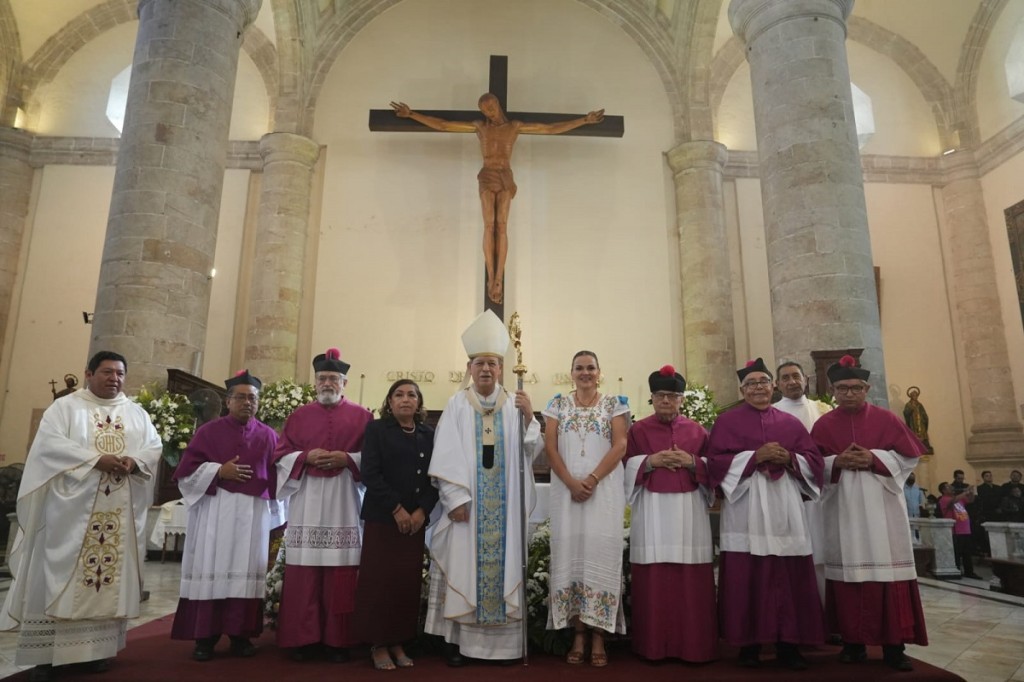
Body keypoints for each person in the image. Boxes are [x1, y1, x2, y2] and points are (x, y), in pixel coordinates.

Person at [0, 351, 162, 682]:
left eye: (120, 373)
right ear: (89, 374)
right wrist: (94, 459)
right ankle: (46, 657)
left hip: (117, 513)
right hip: (69, 516)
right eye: (107, 372)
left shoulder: (136, 413)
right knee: (55, 577)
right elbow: (49, 446)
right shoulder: (65, 408)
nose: (114, 378)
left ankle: (93, 653)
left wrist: (134, 461)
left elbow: (153, 446)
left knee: (105, 582)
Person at [390, 96, 604, 304]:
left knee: (501, 226)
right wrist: (412, 115)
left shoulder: (514, 127)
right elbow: (443, 125)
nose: (489, 113)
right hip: (487, 175)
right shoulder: (479, 127)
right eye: (485, 110)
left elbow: (549, 129)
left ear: (497, 105)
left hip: (504, 176)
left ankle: (499, 277)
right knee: (488, 225)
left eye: (491, 108)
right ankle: (490, 276)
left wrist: (584, 120)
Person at [424, 310, 543, 665]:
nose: (486, 369)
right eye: (480, 364)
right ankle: (461, 644)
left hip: (505, 510)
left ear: (501, 369)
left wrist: (529, 417)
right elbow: (445, 454)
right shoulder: (457, 404)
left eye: (492, 363)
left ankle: (506, 647)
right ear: (470, 368)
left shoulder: (514, 404)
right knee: (465, 567)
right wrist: (455, 499)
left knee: (503, 566)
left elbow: (530, 450)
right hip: (469, 509)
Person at [810, 354, 929, 672]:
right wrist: (836, 462)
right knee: (847, 575)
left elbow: (910, 458)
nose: (849, 393)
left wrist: (874, 459)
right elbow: (810, 467)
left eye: (856, 388)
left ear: (867, 388)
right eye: (843, 388)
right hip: (843, 511)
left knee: (889, 576)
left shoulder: (887, 419)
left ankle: (894, 647)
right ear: (833, 391)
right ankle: (853, 644)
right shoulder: (823, 425)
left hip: (883, 510)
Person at [706, 358, 825, 670]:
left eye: (763, 382)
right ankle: (748, 645)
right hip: (745, 507)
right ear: (742, 390)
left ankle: (790, 645)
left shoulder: (791, 424)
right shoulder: (726, 422)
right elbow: (714, 462)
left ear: (773, 387)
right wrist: (754, 457)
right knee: (746, 574)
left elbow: (814, 461)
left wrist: (790, 458)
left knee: (789, 574)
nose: (758, 388)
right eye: (751, 384)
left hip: (784, 505)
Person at [170, 370, 282, 661]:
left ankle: (240, 636)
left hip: (253, 515)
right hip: (216, 510)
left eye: (252, 398)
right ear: (228, 401)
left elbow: (279, 477)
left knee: (246, 573)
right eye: (241, 398)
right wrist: (219, 470)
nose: (247, 403)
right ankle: (205, 638)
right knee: (212, 568)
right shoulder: (208, 432)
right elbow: (186, 475)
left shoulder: (269, 435)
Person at [274, 348, 373, 662]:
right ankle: (304, 639)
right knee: (304, 572)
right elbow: (280, 455)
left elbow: (374, 459)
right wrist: (305, 457)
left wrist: (348, 458)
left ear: (344, 383)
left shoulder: (363, 417)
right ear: (315, 382)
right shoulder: (298, 416)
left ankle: (337, 640)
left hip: (345, 499)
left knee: (341, 571)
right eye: (322, 378)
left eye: (333, 378)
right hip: (308, 498)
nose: (327, 383)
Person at [624, 365, 717, 663]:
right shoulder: (637, 430)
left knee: (690, 578)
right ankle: (653, 646)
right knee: (654, 577)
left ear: (681, 399)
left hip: (690, 511)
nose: (666, 400)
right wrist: (650, 461)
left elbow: (715, 468)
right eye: (661, 395)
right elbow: (624, 466)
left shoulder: (698, 431)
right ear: (652, 398)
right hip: (651, 510)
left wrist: (692, 461)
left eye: (672, 396)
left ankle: (694, 646)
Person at [542, 350, 629, 667]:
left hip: (603, 493)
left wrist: (591, 480)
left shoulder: (614, 404)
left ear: (599, 372)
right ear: (571, 373)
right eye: (579, 368)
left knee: (600, 555)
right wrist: (571, 482)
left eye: (590, 367)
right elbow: (550, 447)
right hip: (567, 495)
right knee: (572, 556)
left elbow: (620, 445)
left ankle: (599, 635)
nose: (585, 372)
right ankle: (578, 633)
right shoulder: (557, 405)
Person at [353, 379, 438, 671]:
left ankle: (398, 640)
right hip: (383, 518)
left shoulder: (428, 433)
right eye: (399, 395)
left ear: (419, 402)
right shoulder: (377, 429)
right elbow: (370, 473)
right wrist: (397, 509)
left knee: (406, 583)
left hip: (415, 522)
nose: (405, 399)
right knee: (379, 582)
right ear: (389, 402)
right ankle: (378, 643)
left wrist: (422, 511)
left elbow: (436, 477)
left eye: (411, 395)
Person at [773, 360, 831, 604]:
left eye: (796, 376)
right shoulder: (771, 413)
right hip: (785, 490)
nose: (792, 382)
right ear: (777, 384)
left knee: (822, 552)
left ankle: (825, 609)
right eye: (785, 378)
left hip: (821, 493)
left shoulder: (823, 410)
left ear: (805, 379)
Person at [939, 481, 981, 580]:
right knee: (957, 553)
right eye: (948, 487)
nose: (951, 488)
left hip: (965, 529)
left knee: (967, 553)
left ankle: (969, 572)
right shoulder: (943, 499)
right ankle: (956, 570)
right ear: (943, 490)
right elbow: (953, 501)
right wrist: (965, 492)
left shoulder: (958, 498)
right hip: (955, 530)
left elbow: (970, 500)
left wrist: (971, 492)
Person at [902, 387, 933, 453]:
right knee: (914, 436)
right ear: (911, 396)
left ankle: (925, 447)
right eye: (913, 395)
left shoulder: (919, 405)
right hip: (913, 423)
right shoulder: (908, 405)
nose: (915, 397)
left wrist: (925, 419)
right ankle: (916, 448)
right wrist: (910, 409)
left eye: (916, 395)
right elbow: (905, 413)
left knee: (923, 435)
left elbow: (924, 414)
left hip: (920, 423)